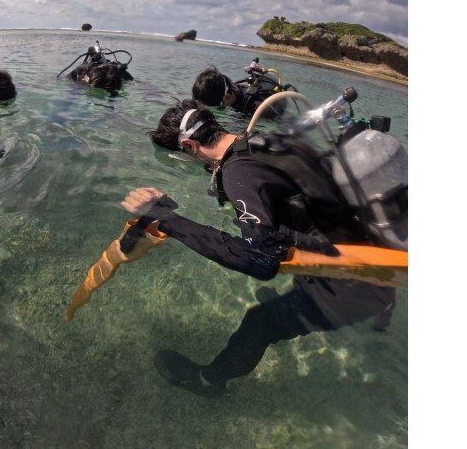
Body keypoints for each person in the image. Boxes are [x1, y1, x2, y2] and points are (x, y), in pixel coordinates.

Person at [120, 99, 396, 396]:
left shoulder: (238, 173)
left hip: (352, 282)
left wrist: (168, 221)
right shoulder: (264, 141)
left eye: (184, 156)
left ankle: (209, 382)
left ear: (189, 146)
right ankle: (383, 313)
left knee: (259, 323)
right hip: (375, 252)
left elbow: (261, 262)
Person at [192, 66, 287, 117]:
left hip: (277, 115)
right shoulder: (235, 87)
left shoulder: (257, 107)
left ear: (226, 98)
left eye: (218, 106)